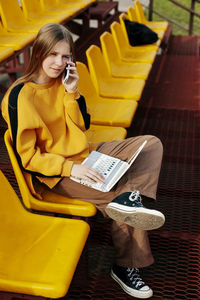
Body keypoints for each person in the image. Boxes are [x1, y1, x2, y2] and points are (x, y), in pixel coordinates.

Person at [1, 23, 165, 299]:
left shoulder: (63, 84)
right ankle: (126, 266)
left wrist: (71, 92)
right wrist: (71, 167)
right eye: (52, 55)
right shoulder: (19, 95)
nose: (58, 62)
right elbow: (27, 157)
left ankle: (131, 199)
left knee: (150, 144)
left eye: (65, 57)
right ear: (38, 53)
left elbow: (82, 126)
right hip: (55, 175)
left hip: (86, 155)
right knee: (120, 192)